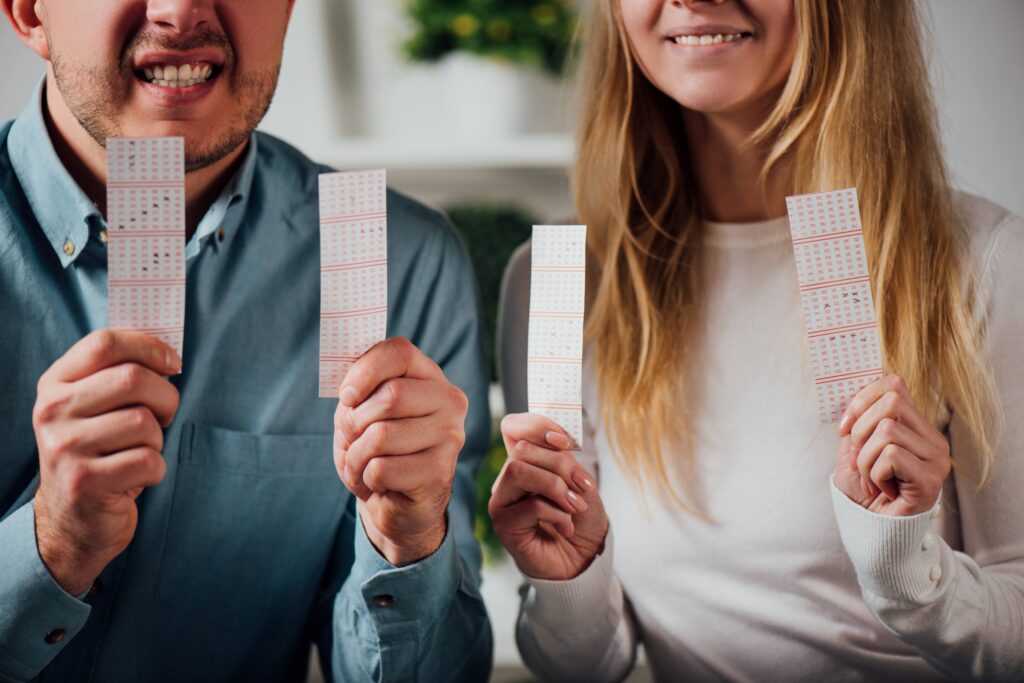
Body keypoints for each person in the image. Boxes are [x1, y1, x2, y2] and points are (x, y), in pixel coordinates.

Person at [492, 0, 1024, 681]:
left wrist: (908, 567)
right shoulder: (558, 283)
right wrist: (568, 581)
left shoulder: (981, 262)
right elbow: (590, 663)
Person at [0, 1, 491, 681]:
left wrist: (407, 542)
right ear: (29, 13)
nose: (181, 10)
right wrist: (48, 545)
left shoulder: (401, 262)